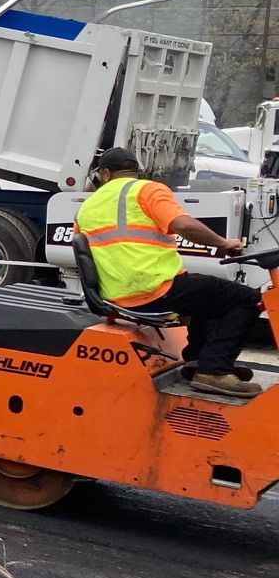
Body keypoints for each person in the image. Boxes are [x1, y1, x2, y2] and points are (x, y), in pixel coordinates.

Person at [76, 146, 264, 397]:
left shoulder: (86, 207)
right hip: (156, 289)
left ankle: (197, 362)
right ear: (136, 171)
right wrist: (224, 243)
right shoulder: (147, 189)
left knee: (208, 294)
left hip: (116, 296)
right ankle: (215, 371)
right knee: (248, 299)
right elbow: (184, 225)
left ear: (106, 173)